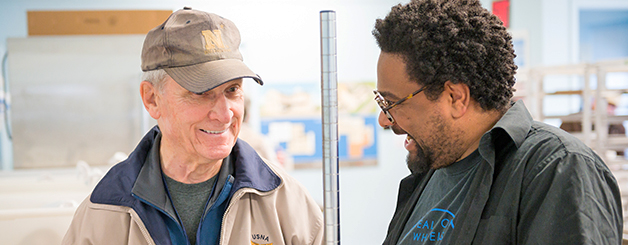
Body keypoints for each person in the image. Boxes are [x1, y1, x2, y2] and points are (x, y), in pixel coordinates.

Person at [63, 7, 324, 245]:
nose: (224, 114)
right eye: (202, 92)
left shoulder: (286, 203)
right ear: (152, 99)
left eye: (233, 90)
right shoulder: (104, 212)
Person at [371, 0, 623, 244]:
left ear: (456, 98)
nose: (384, 119)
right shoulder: (433, 169)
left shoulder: (558, 169)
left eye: (392, 103)